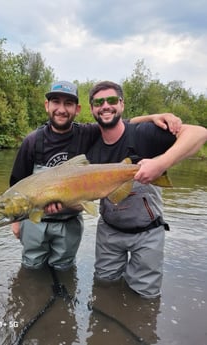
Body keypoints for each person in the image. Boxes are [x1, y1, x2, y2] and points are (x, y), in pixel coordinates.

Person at [10, 80, 183, 272]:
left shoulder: (87, 133)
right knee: (30, 269)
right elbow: (17, 183)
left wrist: (154, 117)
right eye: (55, 102)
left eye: (68, 104)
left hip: (69, 221)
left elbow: (119, 122)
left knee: (64, 270)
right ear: (46, 106)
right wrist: (16, 222)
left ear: (78, 109)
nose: (61, 109)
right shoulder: (32, 140)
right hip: (35, 220)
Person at [84, 81, 207, 298]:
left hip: (148, 232)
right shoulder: (89, 140)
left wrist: (161, 163)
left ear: (121, 104)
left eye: (112, 100)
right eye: (98, 102)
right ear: (92, 108)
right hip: (108, 230)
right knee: (103, 287)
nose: (105, 106)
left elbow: (199, 133)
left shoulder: (142, 133)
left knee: (145, 297)